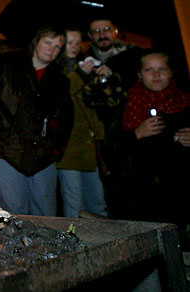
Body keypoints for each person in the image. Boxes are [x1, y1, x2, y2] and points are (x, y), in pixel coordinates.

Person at [0, 25, 74, 216]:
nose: (52, 49)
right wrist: (9, 141)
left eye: (58, 46)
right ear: (36, 42)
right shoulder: (7, 64)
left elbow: (65, 119)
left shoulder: (59, 81)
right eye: (48, 42)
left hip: (42, 155)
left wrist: (54, 148)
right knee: (13, 210)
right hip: (2, 150)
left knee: (45, 210)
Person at [81, 17, 142, 218]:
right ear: (90, 36)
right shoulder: (83, 61)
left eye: (106, 29)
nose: (102, 34)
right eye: (96, 31)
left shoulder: (133, 56)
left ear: (115, 31)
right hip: (103, 138)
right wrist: (89, 78)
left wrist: (115, 75)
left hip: (135, 132)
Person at [122, 50, 189, 231]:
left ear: (171, 72)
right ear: (139, 74)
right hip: (142, 196)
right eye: (149, 70)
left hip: (180, 193)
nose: (156, 75)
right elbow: (111, 151)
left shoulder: (185, 103)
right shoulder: (127, 104)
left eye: (162, 69)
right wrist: (136, 134)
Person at [56, 28, 108, 218]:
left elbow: (101, 104)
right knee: (74, 203)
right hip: (68, 148)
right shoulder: (56, 70)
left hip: (90, 145)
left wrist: (105, 77)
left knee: (98, 200)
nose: (75, 47)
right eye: (70, 42)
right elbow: (61, 95)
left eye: (78, 43)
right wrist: (81, 75)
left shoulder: (88, 65)